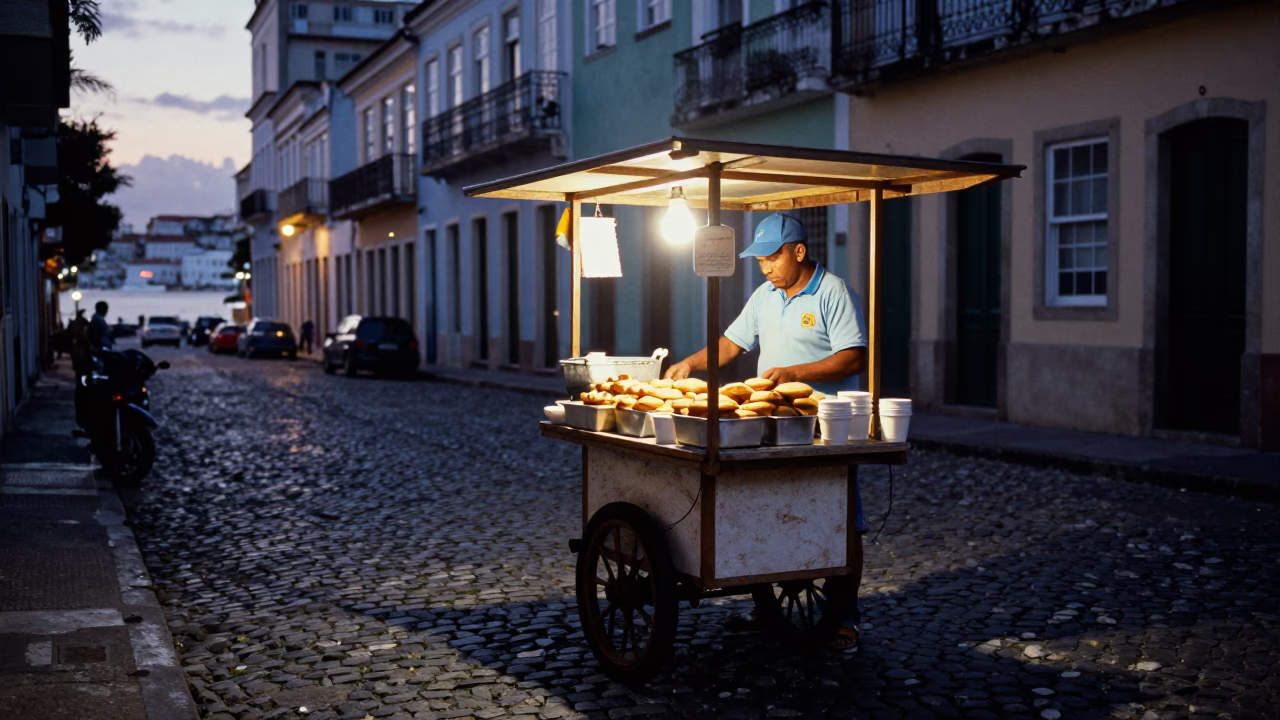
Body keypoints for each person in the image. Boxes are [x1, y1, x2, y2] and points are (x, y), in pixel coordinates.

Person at [664, 212, 868, 650]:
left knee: (843, 521)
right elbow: (731, 344)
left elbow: (854, 358)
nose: (766, 267)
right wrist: (691, 363)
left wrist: (796, 370)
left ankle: (845, 620)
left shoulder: (833, 292)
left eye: (772, 258)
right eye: (759, 261)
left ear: (799, 251)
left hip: (825, 429)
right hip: (773, 427)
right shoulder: (764, 295)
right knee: (769, 509)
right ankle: (766, 605)